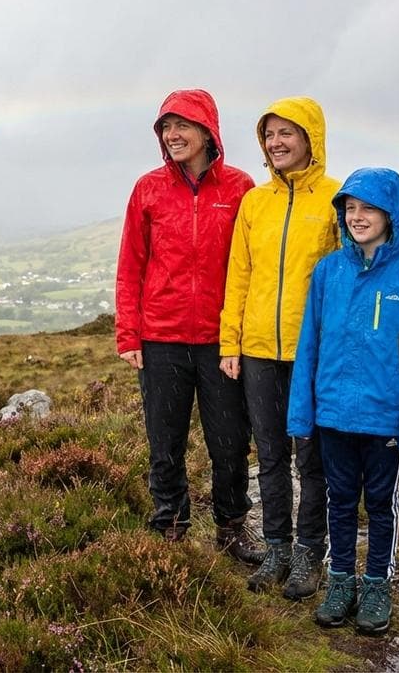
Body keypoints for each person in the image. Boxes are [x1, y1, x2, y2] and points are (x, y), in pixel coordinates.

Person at [115, 88, 262, 564]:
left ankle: (232, 526)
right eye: (165, 127)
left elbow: (252, 266)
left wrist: (242, 333)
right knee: (165, 438)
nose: (172, 135)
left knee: (230, 439)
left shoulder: (240, 188)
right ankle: (170, 525)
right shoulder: (148, 188)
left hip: (222, 341)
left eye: (182, 125)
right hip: (161, 337)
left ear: (207, 131)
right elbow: (130, 265)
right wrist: (128, 333)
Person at [287, 167, 399, 635]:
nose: (357, 216)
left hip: (384, 418)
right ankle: (340, 581)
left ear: (391, 214)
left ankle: (376, 584)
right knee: (339, 500)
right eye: (350, 208)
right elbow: (309, 344)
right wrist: (302, 412)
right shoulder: (328, 271)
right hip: (333, 413)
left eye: (368, 207)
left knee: (380, 504)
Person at [219, 97, 339, 599]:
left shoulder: (336, 197)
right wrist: (231, 342)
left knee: (312, 459)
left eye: (287, 132)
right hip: (259, 352)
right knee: (269, 455)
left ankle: (311, 553)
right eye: (269, 135)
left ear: (311, 136)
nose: (277, 143)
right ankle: (277, 548)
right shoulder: (254, 202)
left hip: (311, 353)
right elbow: (239, 276)